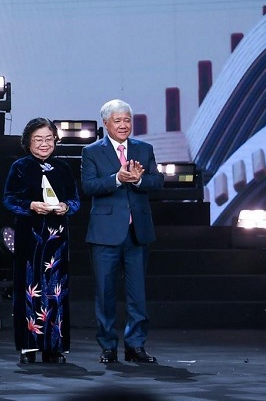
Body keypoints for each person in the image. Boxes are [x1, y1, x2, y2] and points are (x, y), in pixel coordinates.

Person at [82, 99, 164, 365]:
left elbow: (157, 181)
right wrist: (117, 179)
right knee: (105, 293)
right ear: (106, 124)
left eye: (127, 120)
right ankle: (108, 346)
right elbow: (89, 186)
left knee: (137, 294)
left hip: (137, 232)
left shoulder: (144, 148)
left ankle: (135, 345)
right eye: (117, 120)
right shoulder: (91, 152)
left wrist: (139, 180)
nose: (123, 125)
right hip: (105, 233)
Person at [2, 117, 80, 364]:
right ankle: (28, 347)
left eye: (48, 139)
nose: (44, 144)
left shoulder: (63, 168)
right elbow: (9, 199)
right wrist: (31, 205)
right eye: (38, 139)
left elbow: (75, 200)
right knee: (29, 288)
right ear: (28, 142)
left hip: (57, 239)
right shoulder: (20, 167)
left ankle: (54, 347)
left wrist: (66, 206)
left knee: (56, 289)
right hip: (30, 238)